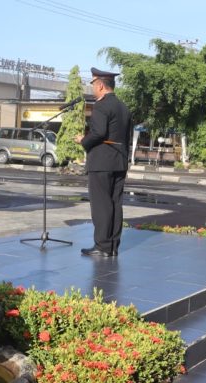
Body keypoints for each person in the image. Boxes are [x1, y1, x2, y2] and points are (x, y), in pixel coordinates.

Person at [75, 68, 132, 258]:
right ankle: (113, 246)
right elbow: (126, 137)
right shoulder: (123, 107)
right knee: (115, 204)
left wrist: (83, 140)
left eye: (92, 84)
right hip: (119, 161)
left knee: (101, 205)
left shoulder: (101, 106)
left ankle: (102, 246)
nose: (92, 88)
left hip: (101, 162)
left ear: (100, 85)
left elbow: (98, 133)